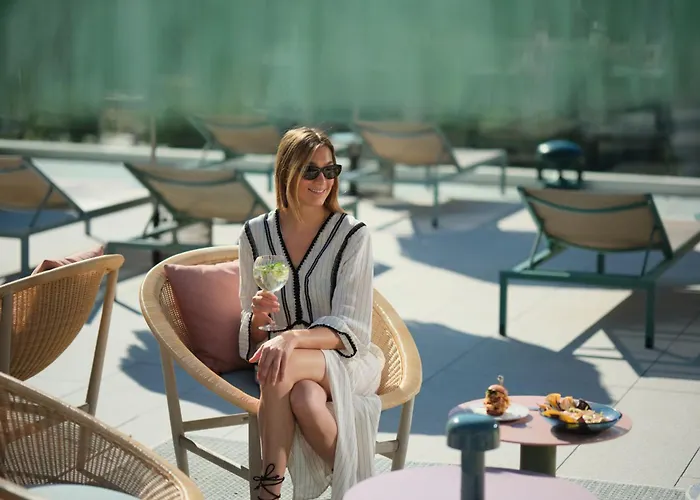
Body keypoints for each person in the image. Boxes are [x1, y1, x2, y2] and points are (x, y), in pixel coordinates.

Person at [237, 127, 385, 500]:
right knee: (303, 396)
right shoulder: (255, 235)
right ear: (286, 172)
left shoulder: (353, 235)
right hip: (283, 360)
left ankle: (268, 492)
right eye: (311, 171)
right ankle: (366, 490)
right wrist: (258, 318)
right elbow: (253, 331)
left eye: (330, 170)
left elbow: (353, 329)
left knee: (280, 362)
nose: (323, 181)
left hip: (347, 360)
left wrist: (291, 338)